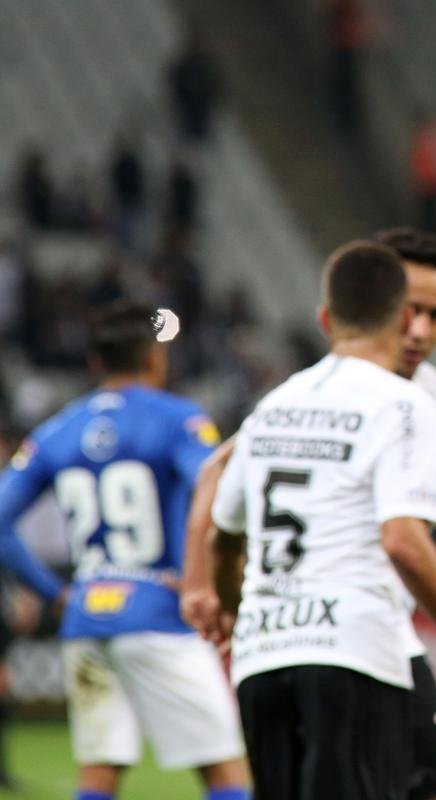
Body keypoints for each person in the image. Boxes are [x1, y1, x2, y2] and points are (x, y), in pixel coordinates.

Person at [182, 226, 436, 800]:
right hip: (353, 640)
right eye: (416, 311)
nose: (425, 330)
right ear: (393, 312)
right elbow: (403, 540)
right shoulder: (407, 405)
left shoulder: (282, 403)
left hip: (281, 645)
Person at [0, 300, 249, 800]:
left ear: (95, 362)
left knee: (99, 772)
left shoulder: (57, 430)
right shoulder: (179, 420)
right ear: (156, 359)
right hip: (158, 611)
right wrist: (202, 577)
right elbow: (214, 487)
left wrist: (54, 593)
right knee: (223, 771)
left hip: (86, 617)